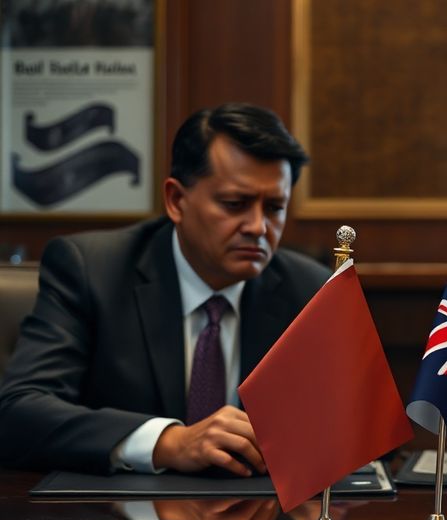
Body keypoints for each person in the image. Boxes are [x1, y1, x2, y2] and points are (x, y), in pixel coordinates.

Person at [0, 103, 331, 476]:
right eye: (235, 204)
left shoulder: (311, 291)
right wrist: (169, 442)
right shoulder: (92, 271)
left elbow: (351, 432)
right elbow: (18, 412)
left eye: (274, 208)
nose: (257, 226)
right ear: (176, 200)